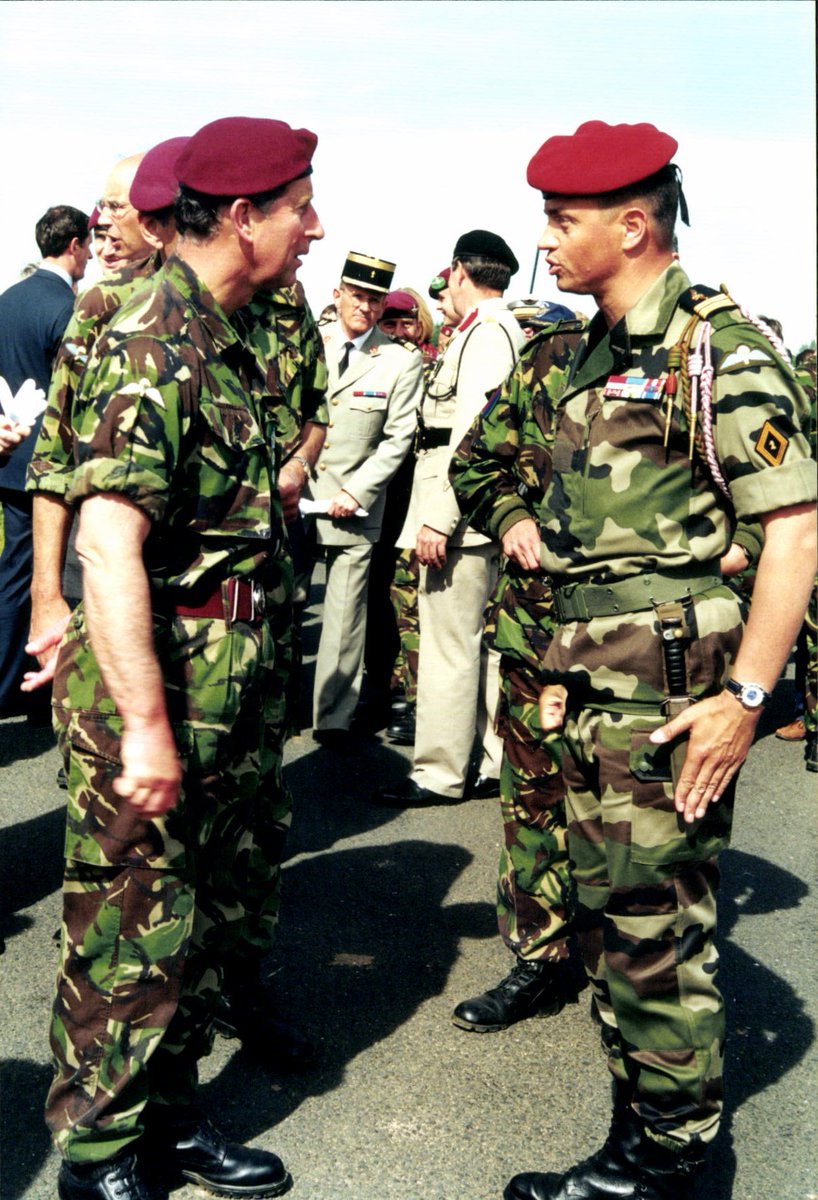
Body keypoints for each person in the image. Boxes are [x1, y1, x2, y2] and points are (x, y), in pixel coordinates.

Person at [453, 120, 815, 1200]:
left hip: (666, 692)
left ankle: (671, 1157)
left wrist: (744, 698)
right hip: (586, 684)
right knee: (618, 918)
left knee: (655, 929)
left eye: (560, 221)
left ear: (631, 225)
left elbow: (795, 532)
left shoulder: (717, 349)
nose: (543, 241)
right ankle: (643, 1136)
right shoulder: (587, 349)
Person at [46, 115, 324, 1200]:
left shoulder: (223, 332)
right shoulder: (151, 337)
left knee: (200, 917)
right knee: (130, 920)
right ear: (244, 216)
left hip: (229, 675)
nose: (314, 227)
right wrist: (147, 727)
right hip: (159, 678)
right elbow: (109, 543)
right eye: (300, 206)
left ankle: (170, 1116)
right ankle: (99, 1158)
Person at [449, 309, 589, 1032]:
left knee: (636, 817)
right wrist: (510, 518)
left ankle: (634, 966)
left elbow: (761, 507)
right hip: (538, 628)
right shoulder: (551, 356)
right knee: (534, 800)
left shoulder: (696, 359)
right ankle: (539, 954)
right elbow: (473, 462)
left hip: (644, 655)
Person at [374, 230, 525, 806]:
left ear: (460, 271)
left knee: (448, 649)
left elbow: (471, 434)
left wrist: (439, 519)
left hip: (458, 515)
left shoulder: (486, 333)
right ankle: (486, 761)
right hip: (469, 513)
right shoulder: (489, 329)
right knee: (475, 648)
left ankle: (439, 772)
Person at [307, 252, 422, 750]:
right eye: (357, 296)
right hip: (296, 494)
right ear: (338, 295)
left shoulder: (399, 360)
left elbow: (398, 438)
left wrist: (357, 490)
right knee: (283, 606)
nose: (366, 308)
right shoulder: (310, 343)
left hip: (354, 504)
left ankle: (332, 717)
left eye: (375, 300)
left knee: (343, 619)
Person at [0, 205, 91, 721]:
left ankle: (13, 680)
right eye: (88, 246)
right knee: (48, 577)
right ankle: (30, 685)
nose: (91, 256)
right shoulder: (67, 308)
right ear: (75, 245)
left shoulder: (8, 300)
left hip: (8, 453)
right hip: (49, 468)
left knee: (16, 572)